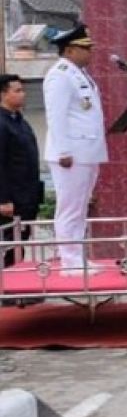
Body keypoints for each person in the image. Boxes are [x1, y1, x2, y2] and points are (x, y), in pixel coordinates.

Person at [44, 24, 107, 273]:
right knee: (69, 207)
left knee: (80, 207)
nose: (90, 53)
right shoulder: (59, 74)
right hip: (70, 153)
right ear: (69, 50)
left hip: (87, 150)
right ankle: (69, 261)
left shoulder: (79, 74)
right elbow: (56, 116)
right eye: (85, 48)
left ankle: (77, 256)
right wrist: (63, 152)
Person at [0, 75, 43, 272]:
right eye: (16, 91)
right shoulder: (2, 123)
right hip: (10, 199)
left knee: (19, 243)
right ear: (3, 94)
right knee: (7, 245)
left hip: (26, 196)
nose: (22, 94)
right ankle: (7, 289)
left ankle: (17, 286)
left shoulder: (20, 122)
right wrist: (3, 199)